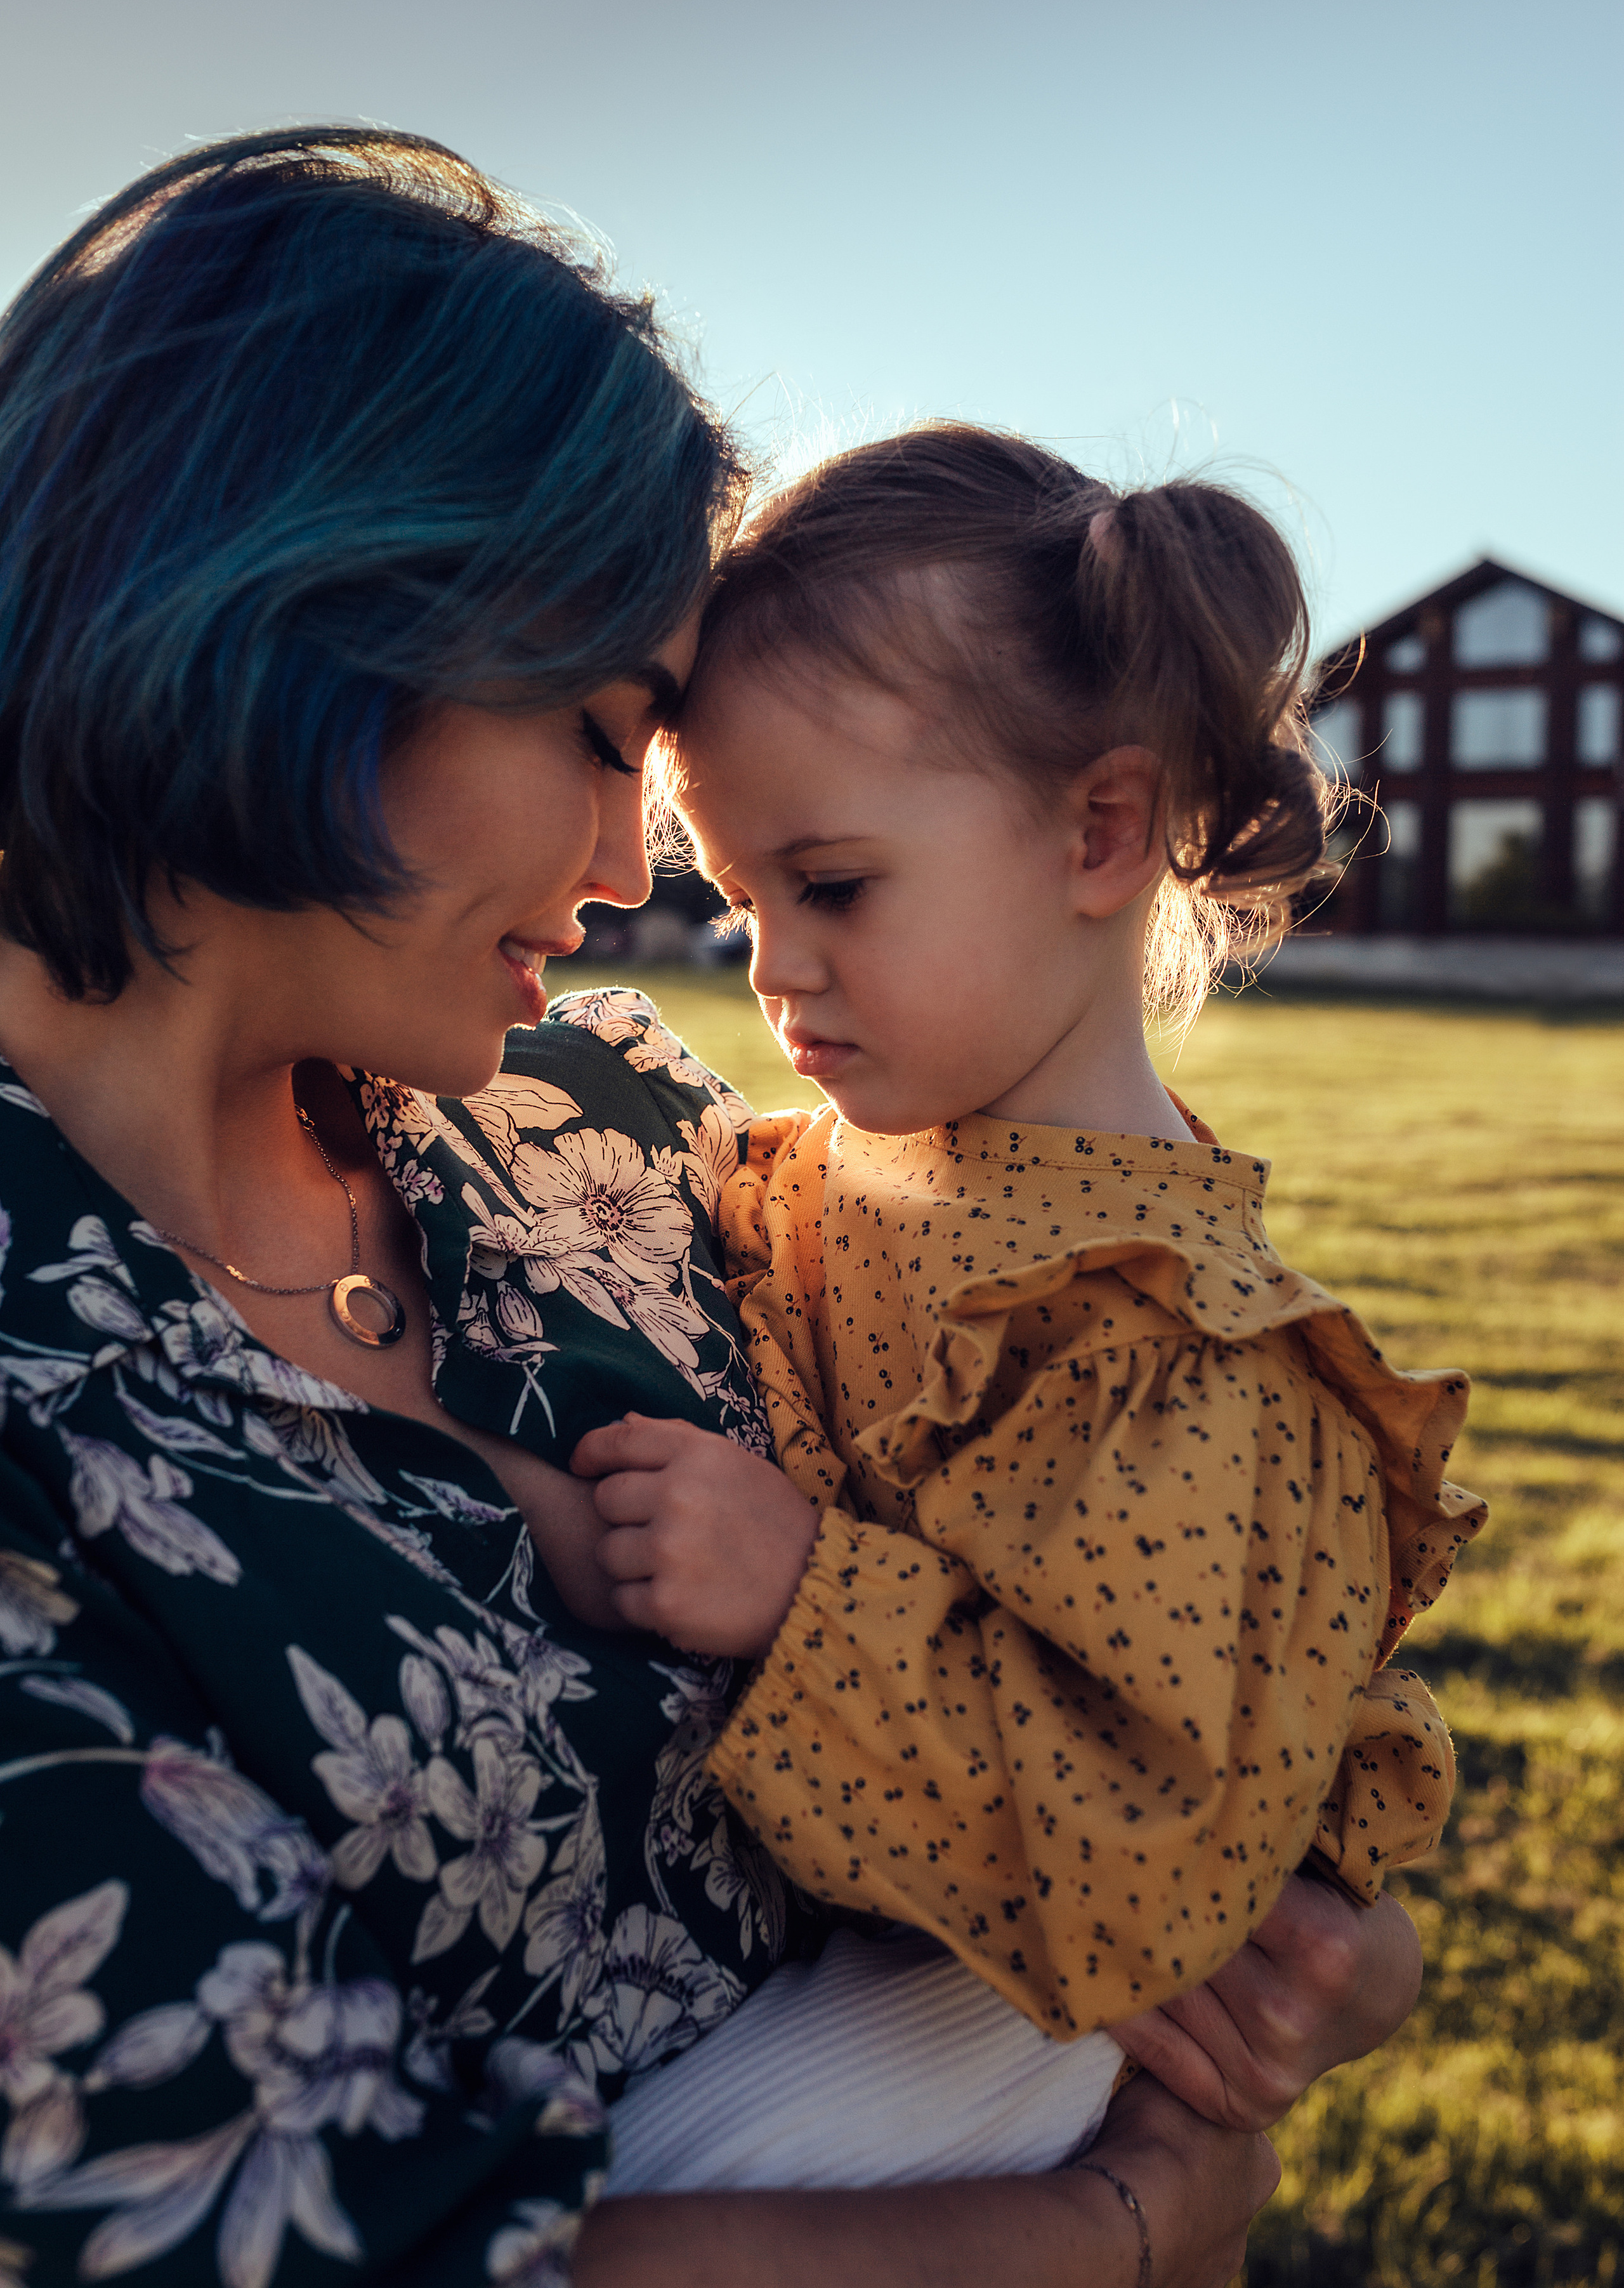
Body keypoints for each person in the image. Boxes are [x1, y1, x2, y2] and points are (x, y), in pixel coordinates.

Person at [0, 126, 1420, 2288]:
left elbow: (1153, 1705)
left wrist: (1316, 1946)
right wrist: (1129, 2224)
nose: (625, 878)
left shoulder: (619, 1124)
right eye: (600, 733)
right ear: (304, 622)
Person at [545, 429, 1486, 2190]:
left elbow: (1141, 1853)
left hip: (991, 2026)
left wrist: (804, 1593)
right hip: (863, 1933)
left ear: (1101, 829)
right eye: (739, 898)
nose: (771, 967)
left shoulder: (1164, 1346)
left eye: (832, 886)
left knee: (587, 2212)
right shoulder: (861, 1161)